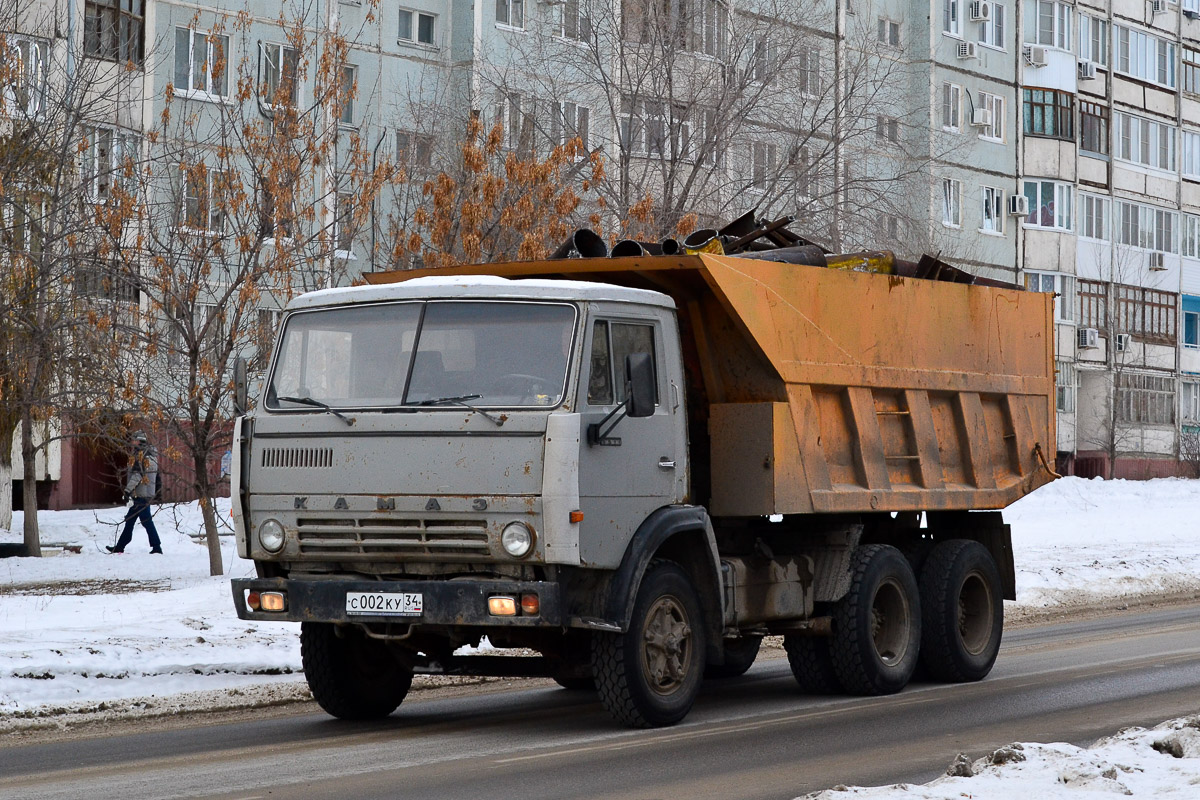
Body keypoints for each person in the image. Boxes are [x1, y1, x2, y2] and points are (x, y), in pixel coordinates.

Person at [107, 431, 163, 554]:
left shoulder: (140, 455)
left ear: (138, 441)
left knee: (146, 521)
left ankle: (157, 547)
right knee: (130, 520)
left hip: (141, 494)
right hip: (145, 493)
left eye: (134, 440)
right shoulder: (152, 455)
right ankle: (121, 546)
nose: (132, 442)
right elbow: (156, 476)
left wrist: (127, 491)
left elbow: (137, 475)